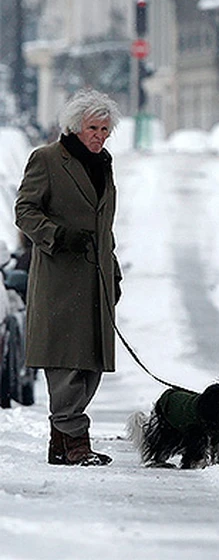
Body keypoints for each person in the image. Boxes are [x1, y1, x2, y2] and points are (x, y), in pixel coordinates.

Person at [15, 88, 123, 466]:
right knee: (66, 365)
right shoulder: (46, 160)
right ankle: (75, 441)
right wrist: (57, 236)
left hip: (96, 280)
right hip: (60, 281)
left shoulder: (104, 165)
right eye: (94, 128)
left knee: (91, 365)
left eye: (105, 129)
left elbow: (103, 227)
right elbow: (25, 211)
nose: (100, 136)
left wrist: (114, 271)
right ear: (75, 127)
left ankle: (60, 443)